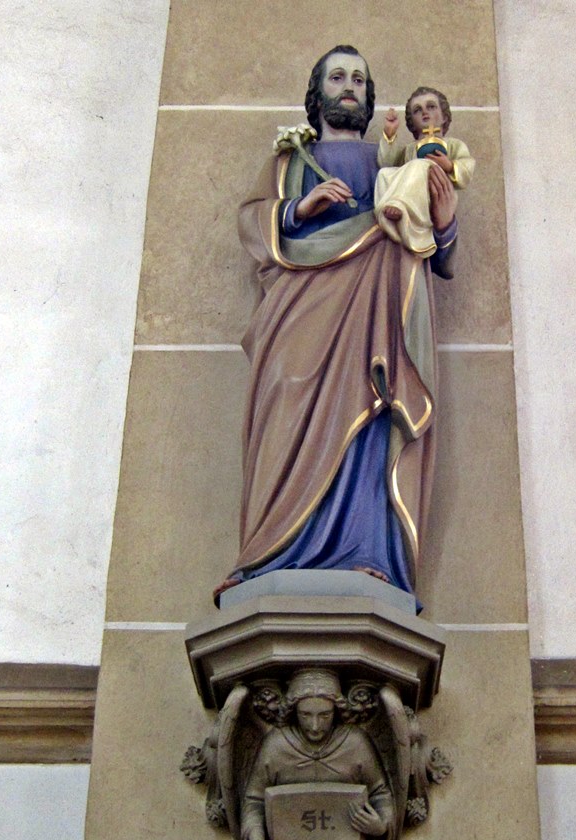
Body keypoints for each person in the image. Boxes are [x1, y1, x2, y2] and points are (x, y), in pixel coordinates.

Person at [214, 46, 459, 604]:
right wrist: (301, 208)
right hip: (299, 308)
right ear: (318, 92)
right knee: (285, 402)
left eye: (359, 80)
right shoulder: (290, 160)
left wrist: (445, 223)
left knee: (370, 413)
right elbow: (253, 222)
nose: (349, 87)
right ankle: (266, 555)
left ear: (368, 97)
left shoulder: (392, 161)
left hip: (376, 308)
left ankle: (366, 551)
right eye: (337, 78)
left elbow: (432, 248)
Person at [241, 669, 394, 840]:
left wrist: (381, 825)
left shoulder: (355, 743)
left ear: (337, 711)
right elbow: (253, 802)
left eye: (324, 715)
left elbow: (380, 793)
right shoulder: (276, 746)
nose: (315, 726)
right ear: (294, 711)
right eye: (305, 715)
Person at [375, 86, 475, 256]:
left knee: (419, 165)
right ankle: (395, 210)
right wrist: (390, 135)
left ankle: (401, 206)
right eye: (417, 110)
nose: (424, 113)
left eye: (431, 107)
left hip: (433, 195)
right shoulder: (409, 150)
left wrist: (450, 166)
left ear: (444, 116)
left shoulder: (453, 145)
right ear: (411, 122)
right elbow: (387, 164)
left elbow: (467, 167)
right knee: (383, 174)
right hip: (412, 195)